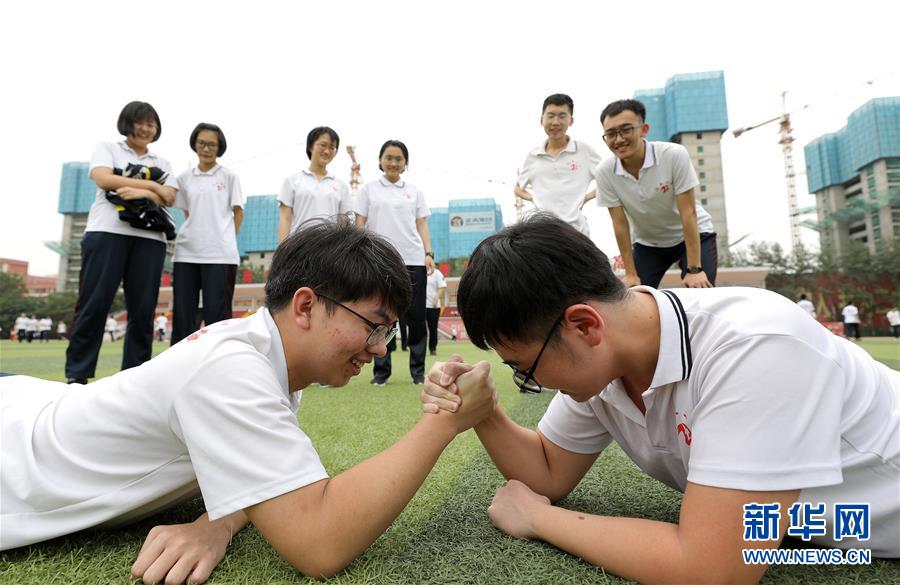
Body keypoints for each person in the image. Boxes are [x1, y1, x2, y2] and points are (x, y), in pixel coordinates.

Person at [0, 221, 495, 585]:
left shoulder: (266, 358)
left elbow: (263, 482)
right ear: (305, 306)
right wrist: (443, 423)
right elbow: (318, 541)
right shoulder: (232, 372)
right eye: (374, 324)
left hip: (31, 404)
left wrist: (216, 523)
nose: (380, 347)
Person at [422, 214, 900, 583]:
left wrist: (540, 519)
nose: (535, 383)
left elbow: (712, 569)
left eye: (527, 369)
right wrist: (484, 412)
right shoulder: (608, 364)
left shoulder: (756, 345)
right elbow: (546, 470)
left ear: (585, 325)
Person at [64, 101, 177, 385]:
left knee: (142, 310)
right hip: (106, 232)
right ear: (128, 123)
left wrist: (146, 189)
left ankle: (135, 379)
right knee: (94, 304)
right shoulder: (108, 148)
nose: (145, 128)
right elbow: (102, 178)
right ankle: (77, 376)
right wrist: (153, 187)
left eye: (151, 124)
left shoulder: (162, 163)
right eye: (140, 122)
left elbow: (170, 196)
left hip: (150, 239)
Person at [593, 99, 717, 289]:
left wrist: (694, 270)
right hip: (649, 243)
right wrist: (631, 273)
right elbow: (619, 223)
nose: (618, 139)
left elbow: (688, 212)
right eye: (611, 134)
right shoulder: (604, 171)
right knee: (632, 296)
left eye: (626, 130)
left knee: (700, 293)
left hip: (693, 235)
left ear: (644, 129)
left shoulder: (673, 155)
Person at [355, 140, 434, 385]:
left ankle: (418, 372)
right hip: (380, 261)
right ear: (380, 160)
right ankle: (381, 373)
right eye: (388, 157)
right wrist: (358, 252)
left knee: (417, 316)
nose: (393, 162)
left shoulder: (414, 191)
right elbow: (360, 222)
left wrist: (429, 253)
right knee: (380, 316)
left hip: (412, 259)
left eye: (399, 158)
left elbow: (421, 223)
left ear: (405, 163)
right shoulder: (368, 190)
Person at [171, 123, 244, 345]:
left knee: (217, 317)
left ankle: (219, 366)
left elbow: (238, 211)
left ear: (219, 147)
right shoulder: (184, 178)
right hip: (186, 253)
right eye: (202, 143)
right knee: (184, 316)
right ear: (195, 144)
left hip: (220, 255)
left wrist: (225, 238)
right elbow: (187, 211)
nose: (206, 148)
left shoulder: (229, 176)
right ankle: (179, 366)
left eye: (212, 144)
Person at [515, 93, 601, 236]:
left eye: (562, 116)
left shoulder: (584, 151)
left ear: (571, 120)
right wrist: (533, 199)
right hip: (543, 233)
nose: (555, 122)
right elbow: (518, 189)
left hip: (577, 233)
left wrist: (586, 198)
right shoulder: (533, 156)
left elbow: (609, 179)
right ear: (541, 120)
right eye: (550, 116)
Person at [277, 126, 351, 242]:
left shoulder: (341, 186)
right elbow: (285, 219)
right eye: (323, 145)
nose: (327, 151)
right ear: (311, 146)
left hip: (329, 249)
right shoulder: (292, 181)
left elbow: (343, 223)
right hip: (298, 247)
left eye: (332, 147)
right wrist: (281, 251)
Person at [425, 267, 447, 356]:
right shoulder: (419, 272)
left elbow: (442, 286)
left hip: (433, 306)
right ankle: (418, 349)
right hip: (421, 306)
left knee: (433, 329)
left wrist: (436, 298)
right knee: (420, 329)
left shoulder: (437, 273)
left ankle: (432, 348)